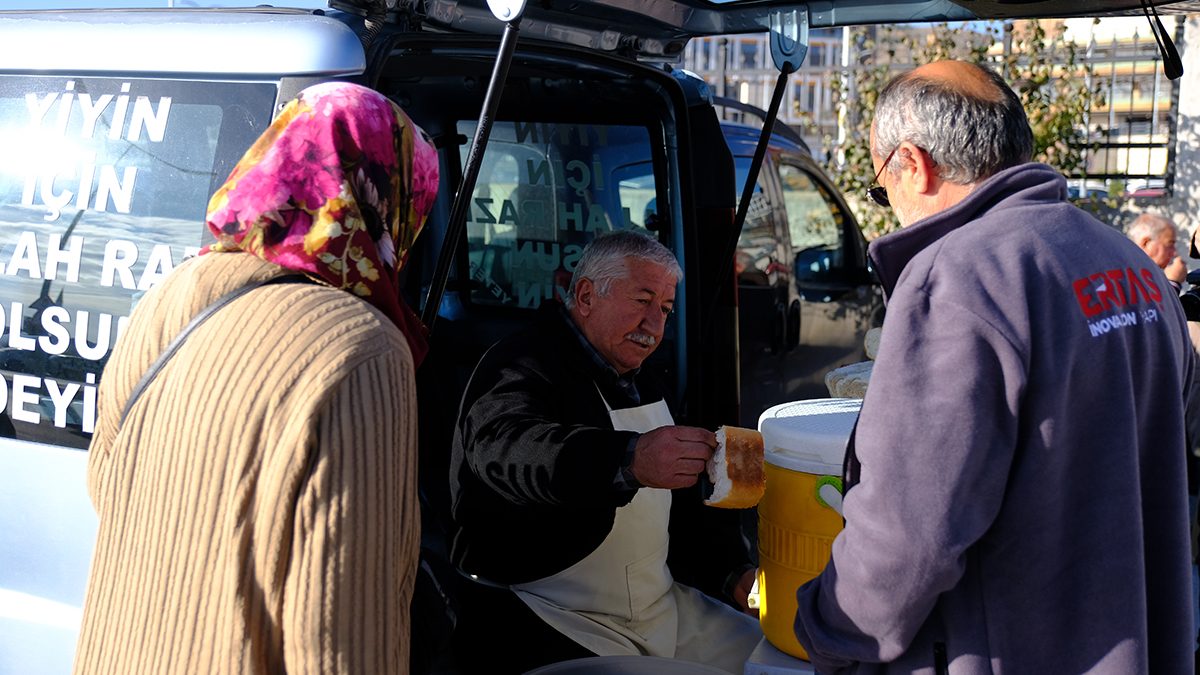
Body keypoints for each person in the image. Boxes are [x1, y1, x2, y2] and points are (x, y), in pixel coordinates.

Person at [793, 61, 1195, 674]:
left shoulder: (956, 276)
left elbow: (909, 530)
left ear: (913, 163)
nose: (889, 207)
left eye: (882, 189)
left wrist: (825, 628)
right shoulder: (1130, 264)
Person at [73, 82, 438, 675]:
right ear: (388, 198)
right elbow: (341, 628)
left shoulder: (166, 296)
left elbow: (106, 486)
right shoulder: (365, 348)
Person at [448, 230, 762, 675]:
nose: (655, 326)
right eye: (642, 301)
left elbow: (682, 510)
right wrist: (628, 459)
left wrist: (735, 575)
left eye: (666, 310)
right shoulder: (520, 364)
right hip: (554, 615)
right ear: (586, 295)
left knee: (785, 662)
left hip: (662, 609)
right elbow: (506, 449)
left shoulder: (641, 378)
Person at [1129, 212, 1188, 290]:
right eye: (1169, 245)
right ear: (1146, 243)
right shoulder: (1124, 276)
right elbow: (1158, 302)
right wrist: (1173, 282)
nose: (1174, 253)